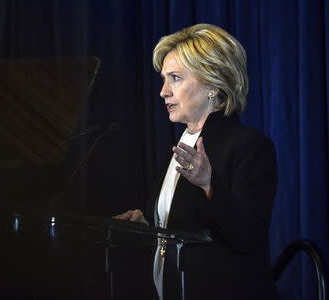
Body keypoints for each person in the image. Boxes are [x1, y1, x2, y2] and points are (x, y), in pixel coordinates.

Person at [113, 24, 278, 300]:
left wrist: (209, 185)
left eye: (175, 78)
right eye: (164, 79)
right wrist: (148, 228)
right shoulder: (178, 147)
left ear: (213, 84)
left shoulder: (249, 146)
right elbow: (182, 231)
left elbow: (248, 237)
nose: (163, 91)